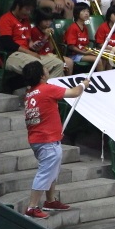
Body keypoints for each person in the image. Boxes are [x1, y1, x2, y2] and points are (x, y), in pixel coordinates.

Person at [23, 60, 88, 219]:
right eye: (45, 68)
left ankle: (50, 201)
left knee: (51, 170)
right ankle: (32, 207)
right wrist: (84, 84)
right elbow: (74, 93)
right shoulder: (46, 89)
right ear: (41, 75)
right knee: (45, 173)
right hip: (47, 141)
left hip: (38, 139)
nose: (47, 69)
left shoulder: (29, 94)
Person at [0, 0, 65, 78]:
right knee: (38, 68)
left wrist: (36, 44)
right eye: (27, 9)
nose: (28, 12)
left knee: (58, 64)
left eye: (30, 10)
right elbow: (8, 43)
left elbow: (28, 41)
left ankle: (46, 88)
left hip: (28, 55)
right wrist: (30, 52)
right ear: (18, 6)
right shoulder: (5, 20)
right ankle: (38, 89)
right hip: (11, 56)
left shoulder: (26, 20)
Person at [30, 7, 73, 74]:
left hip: (50, 54)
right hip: (40, 56)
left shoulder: (48, 29)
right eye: (45, 20)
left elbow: (51, 48)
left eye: (50, 20)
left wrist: (50, 37)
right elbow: (37, 49)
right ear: (39, 20)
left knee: (69, 62)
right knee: (61, 63)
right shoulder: (34, 30)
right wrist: (46, 36)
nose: (48, 23)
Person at [65, 3, 105, 72]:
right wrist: (84, 53)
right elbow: (71, 46)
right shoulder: (73, 28)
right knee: (97, 60)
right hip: (74, 55)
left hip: (83, 53)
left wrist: (89, 51)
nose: (86, 13)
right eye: (83, 11)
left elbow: (85, 44)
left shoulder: (85, 28)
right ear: (77, 13)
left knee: (104, 57)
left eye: (88, 11)